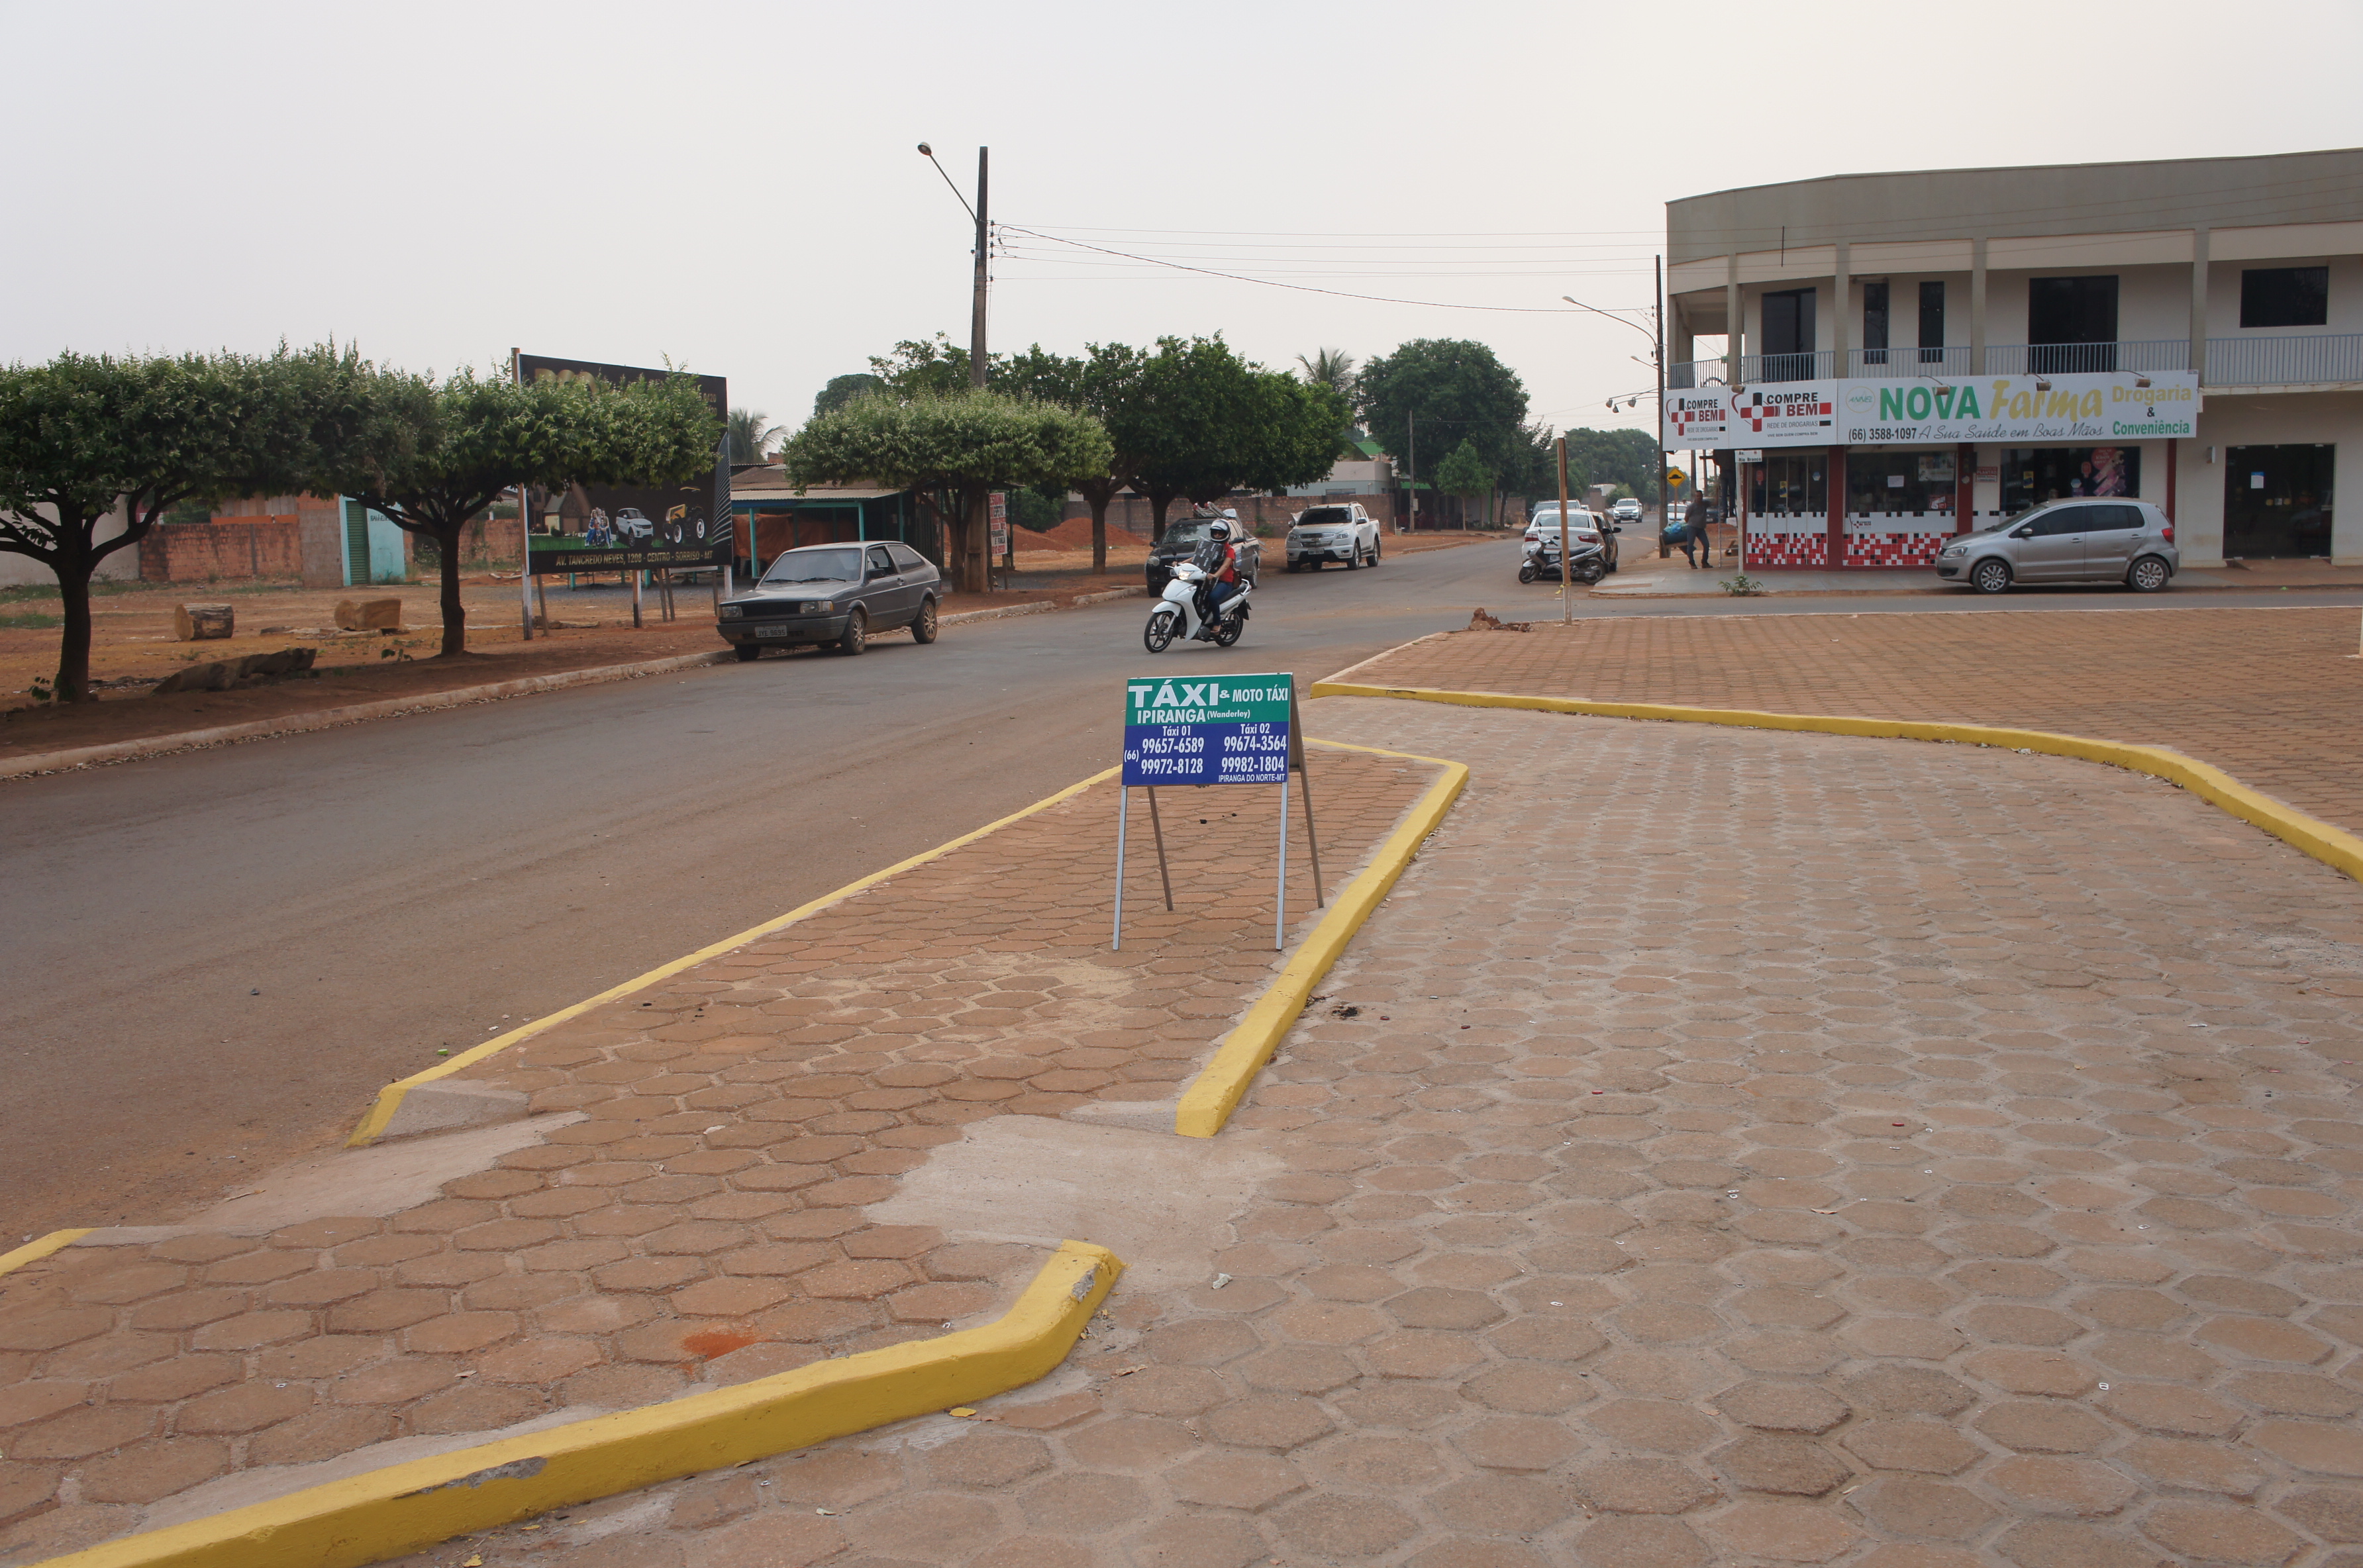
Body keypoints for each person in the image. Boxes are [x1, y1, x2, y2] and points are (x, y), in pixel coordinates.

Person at [1190, 519, 1242, 639]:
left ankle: (1217, 623)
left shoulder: (1229, 550)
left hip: (1224, 582)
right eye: (1215, 533)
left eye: (1220, 533)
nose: (1217, 535)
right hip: (1208, 581)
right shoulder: (1210, 547)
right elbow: (1197, 557)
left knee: (1213, 597)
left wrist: (1216, 575)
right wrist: (1179, 564)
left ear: (1226, 535)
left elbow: (1225, 565)